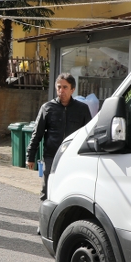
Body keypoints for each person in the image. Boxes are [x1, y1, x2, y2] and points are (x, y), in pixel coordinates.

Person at [27, 73, 93, 201]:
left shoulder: (82, 109)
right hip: (51, 156)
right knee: (47, 189)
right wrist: (30, 156)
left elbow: (88, 134)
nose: (61, 90)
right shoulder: (47, 108)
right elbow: (37, 133)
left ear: (72, 89)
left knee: (71, 189)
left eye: (65, 87)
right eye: (59, 87)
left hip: (73, 156)